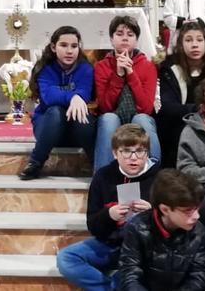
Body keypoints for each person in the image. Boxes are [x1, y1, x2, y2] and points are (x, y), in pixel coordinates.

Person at [56, 123, 160, 290]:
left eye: (139, 151)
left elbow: (174, 223)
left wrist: (153, 213)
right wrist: (109, 215)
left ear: (147, 153)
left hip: (145, 249)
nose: (133, 158)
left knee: (129, 278)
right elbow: (92, 224)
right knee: (66, 258)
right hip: (110, 244)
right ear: (114, 154)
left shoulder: (160, 178)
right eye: (126, 151)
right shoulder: (103, 176)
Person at [19, 26, 96, 180]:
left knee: (82, 116)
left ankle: (98, 165)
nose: (69, 51)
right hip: (49, 129)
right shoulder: (45, 68)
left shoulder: (85, 68)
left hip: (76, 131)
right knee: (55, 111)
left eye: (74, 46)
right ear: (53, 47)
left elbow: (85, 92)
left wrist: (78, 97)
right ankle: (36, 162)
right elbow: (49, 96)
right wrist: (73, 97)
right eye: (63, 45)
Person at [117, 169, 205, 291]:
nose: (197, 216)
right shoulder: (137, 228)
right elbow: (130, 273)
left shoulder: (199, 231)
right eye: (188, 211)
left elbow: (199, 275)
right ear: (165, 210)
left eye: (197, 208)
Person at [93, 15, 161, 168]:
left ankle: (152, 174)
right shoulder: (102, 66)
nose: (125, 38)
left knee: (142, 120)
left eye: (130, 35)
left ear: (136, 40)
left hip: (139, 116)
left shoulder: (147, 66)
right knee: (108, 119)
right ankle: (103, 178)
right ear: (111, 39)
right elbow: (105, 107)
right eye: (119, 34)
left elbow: (146, 108)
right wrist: (118, 75)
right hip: (114, 117)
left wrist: (130, 73)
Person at [158, 20, 205, 169]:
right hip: (180, 122)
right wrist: (201, 109)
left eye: (199, 40)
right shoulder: (170, 68)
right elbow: (169, 107)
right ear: (181, 44)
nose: (195, 45)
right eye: (188, 40)